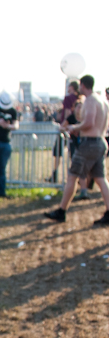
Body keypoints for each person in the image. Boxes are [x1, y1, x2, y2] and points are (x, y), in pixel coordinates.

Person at [44, 75, 109, 226]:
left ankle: (61, 211)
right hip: (100, 141)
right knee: (100, 179)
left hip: (90, 143)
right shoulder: (102, 100)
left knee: (72, 176)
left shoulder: (91, 100)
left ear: (83, 85)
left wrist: (74, 127)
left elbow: (89, 122)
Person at [49, 80, 79, 184]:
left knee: (58, 152)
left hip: (67, 130)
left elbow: (67, 113)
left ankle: (55, 175)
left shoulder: (69, 98)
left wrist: (65, 126)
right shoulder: (81, 98)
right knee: (75, 155)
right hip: (77, 130)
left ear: (72, 87)